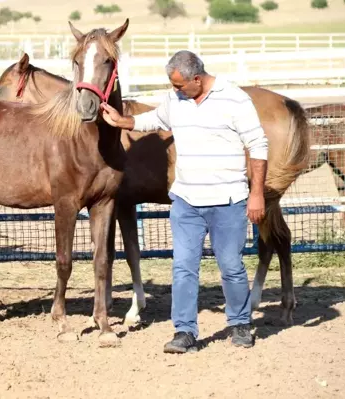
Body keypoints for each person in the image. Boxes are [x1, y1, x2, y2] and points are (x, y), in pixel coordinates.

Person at [100, 50, 268, 353]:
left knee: (230, 266)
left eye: (178, 85)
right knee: (183, 268)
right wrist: (122, 121)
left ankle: (240, 324)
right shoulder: (176, 98)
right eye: (172, 85)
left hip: (228, 200)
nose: (174, 91)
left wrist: (256, 193)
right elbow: (155, 118)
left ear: (197, 79)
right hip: (187, 200)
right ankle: (185, 331)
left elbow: (257, 144)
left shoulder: (235, 99)